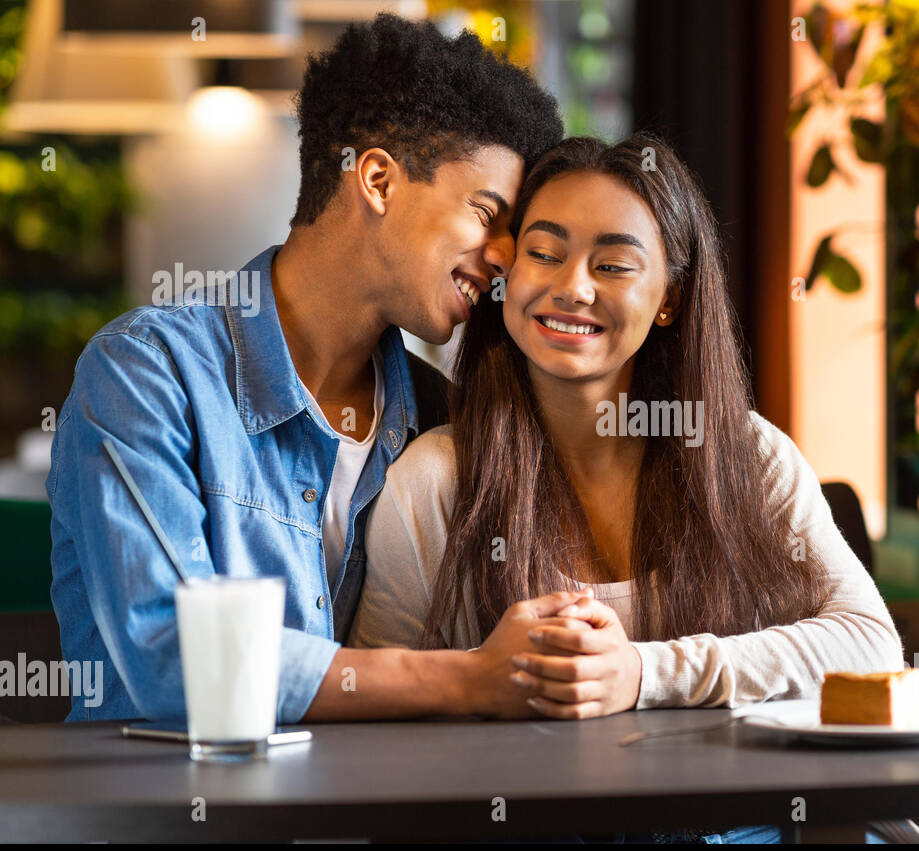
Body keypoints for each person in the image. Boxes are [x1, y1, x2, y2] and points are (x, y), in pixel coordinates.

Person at [349, 133, 908, 841]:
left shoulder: (746, 455)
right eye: (544, 253)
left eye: (612, 264)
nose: (571, 286)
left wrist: (643, 674)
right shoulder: (435, 481)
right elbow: (374, 725)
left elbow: (868, 645)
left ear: (669, 297)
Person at [47, 14, 564, 724]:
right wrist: (469, 679)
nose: (504, 255)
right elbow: (172, 658)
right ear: (377, 179)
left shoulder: (438, 416)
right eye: (485, 213)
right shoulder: (146, 374)